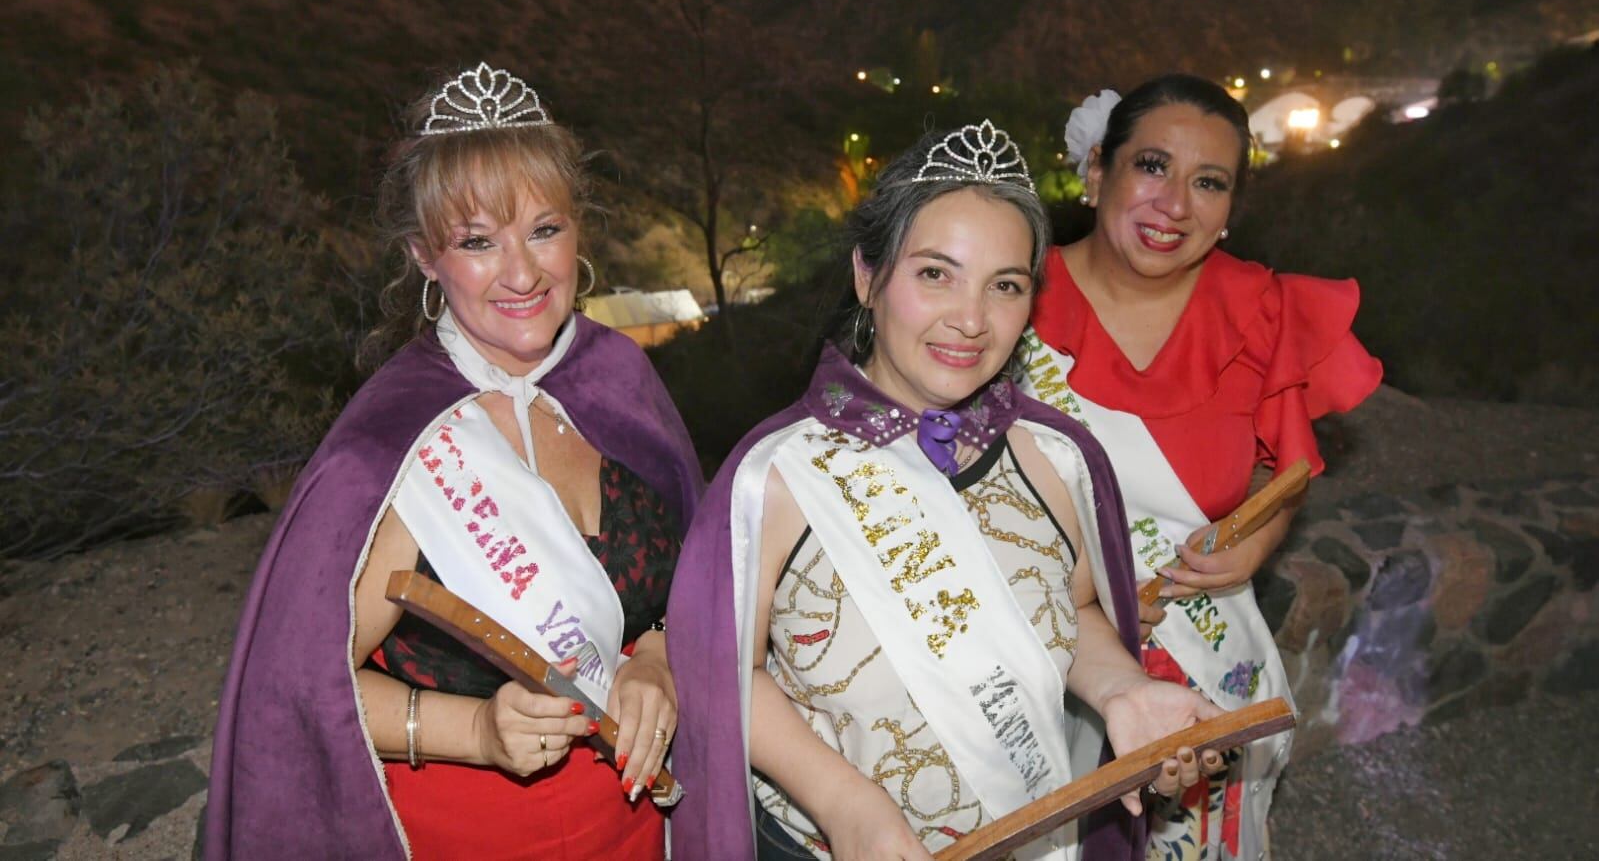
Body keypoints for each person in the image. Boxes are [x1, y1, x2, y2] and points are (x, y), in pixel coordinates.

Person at [668, 120, 1227, 861]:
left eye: (1005, 286)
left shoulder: (1053, 457)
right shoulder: (773, 475)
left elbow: (1076, 609)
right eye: (935, 274)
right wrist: (844, 802)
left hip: (1030, 835)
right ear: (868, 277)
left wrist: (1122, 688)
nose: (970, 320)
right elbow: (722, 670)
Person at [205, 64, 703, 860]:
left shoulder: (618, 381)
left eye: (544, 229)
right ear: (426, 258)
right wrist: (474, 730)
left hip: (642, 824)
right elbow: (298, 682)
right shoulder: (391, 444)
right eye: (478, 242)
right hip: (468, 833)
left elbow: (697, 583)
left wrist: (659, 659)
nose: (522, 273)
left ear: (580, 230)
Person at [1023, 75, 1383, 861]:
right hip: (1033, 671)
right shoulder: (1009, 300)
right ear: (1094, 173)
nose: (1175, 204)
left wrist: (1251, 546)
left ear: (1228, 211)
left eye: (1208, 182)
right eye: (1151, 165)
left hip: (1204, 666)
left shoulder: (1260, 310)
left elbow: (1279, 474)